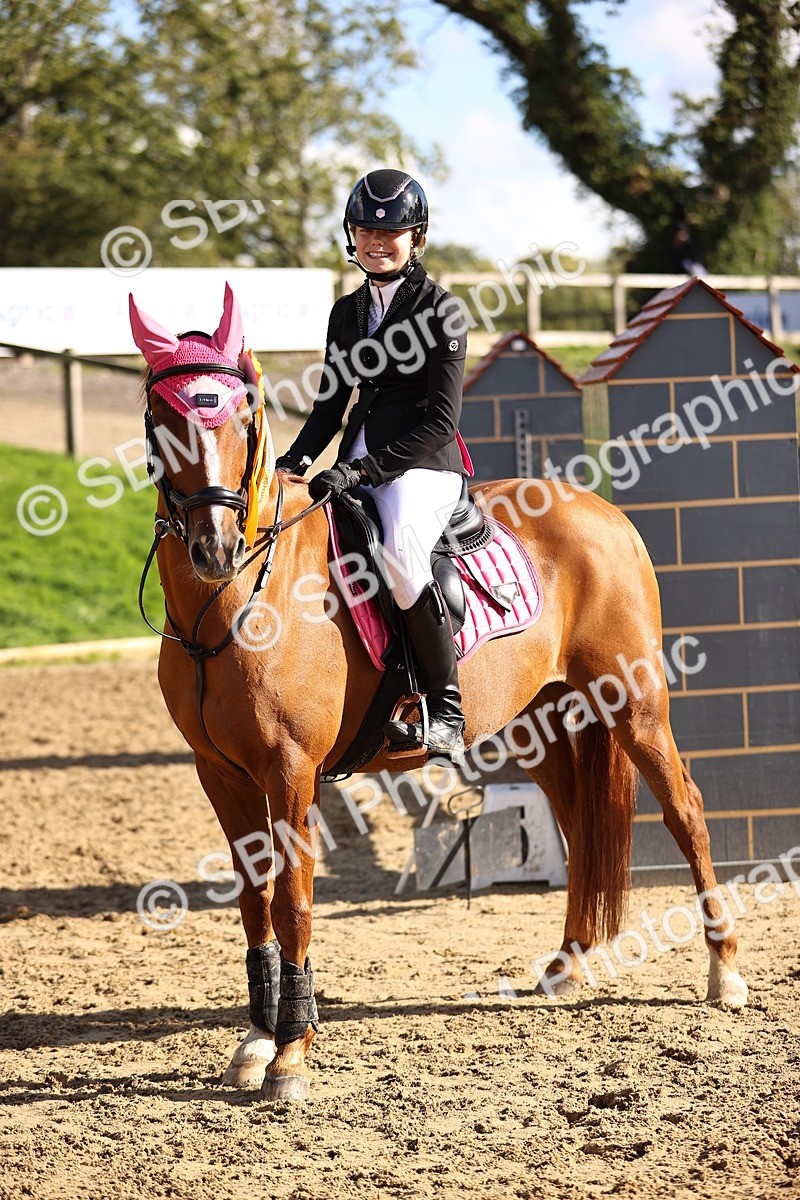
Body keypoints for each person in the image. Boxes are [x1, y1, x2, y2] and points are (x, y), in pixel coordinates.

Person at [274, 168, 470, 762]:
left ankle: (445, 708)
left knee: (402, 554)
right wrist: (295, 458)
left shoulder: (443, 311)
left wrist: (361, 472)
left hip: (423, 465)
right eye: (364, 231)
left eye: (392, 233)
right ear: (351, 236)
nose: (377, 242)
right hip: (355, 455)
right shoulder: (346, 314)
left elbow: (441, 420)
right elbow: (330, 404)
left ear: (418, 238)